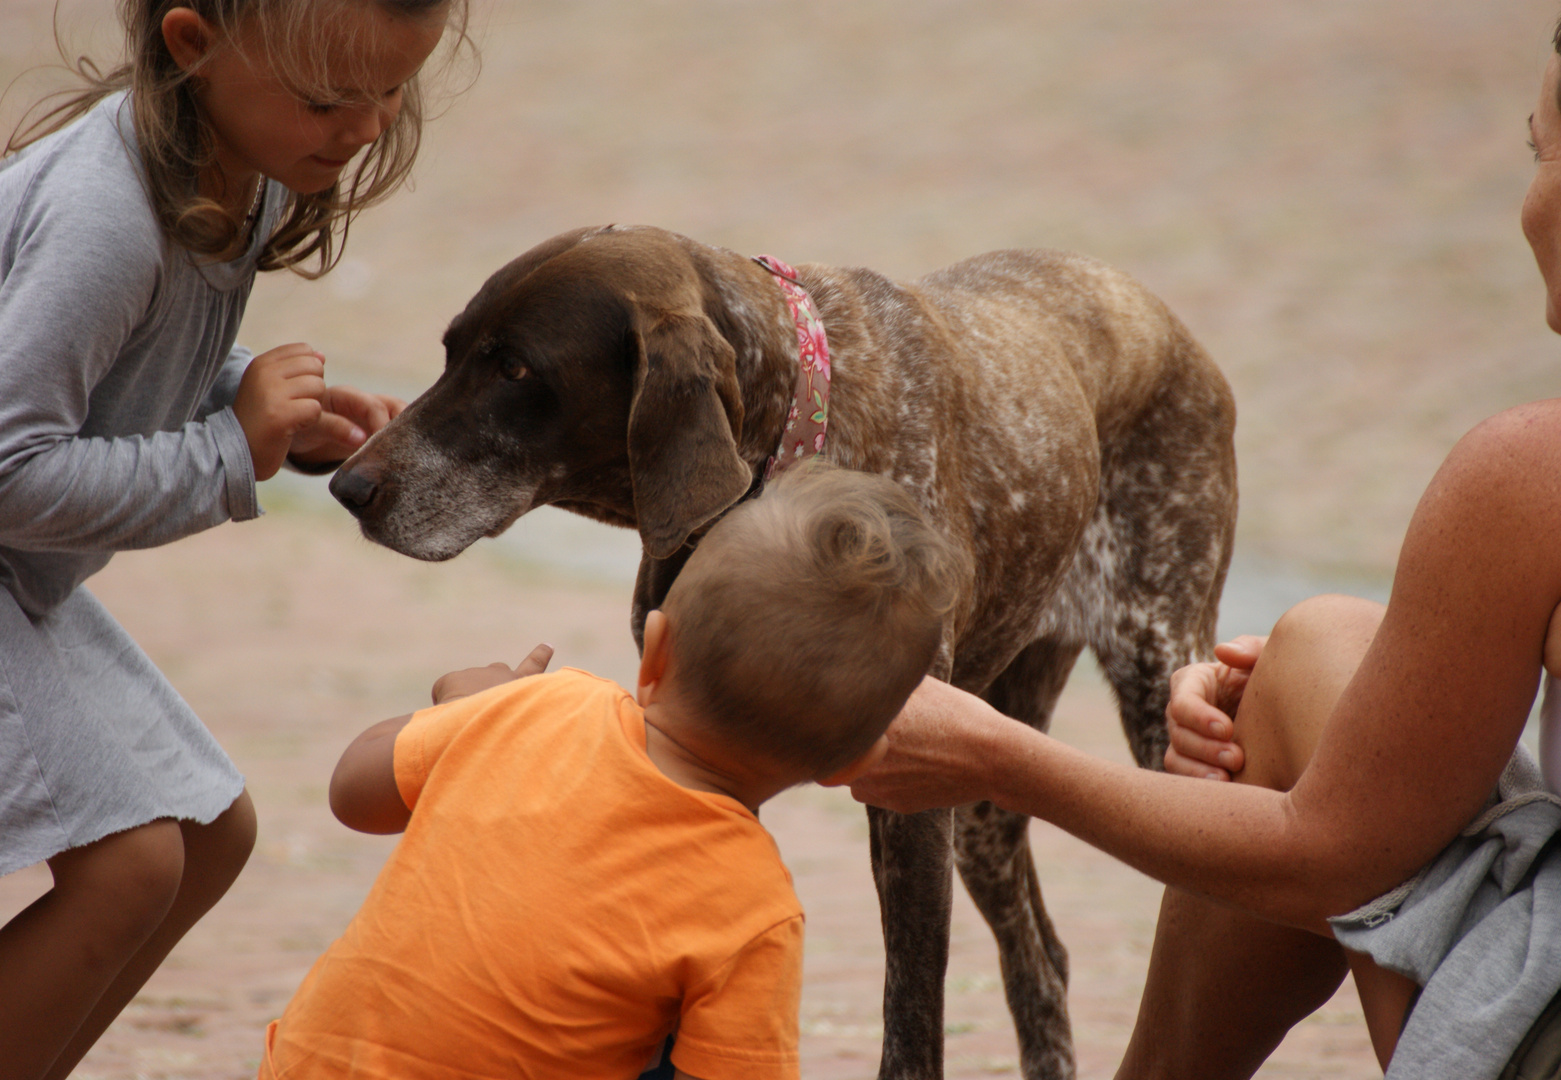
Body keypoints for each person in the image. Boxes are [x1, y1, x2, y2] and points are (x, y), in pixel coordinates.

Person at [841, 1, 1561, 1077]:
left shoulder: (1545, 473)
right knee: (1309, 657)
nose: (1529, 202)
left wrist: (996, 757)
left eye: (1541, 156)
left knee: (1297, 730)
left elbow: (1321, 864)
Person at [0, 2, 465, 1077]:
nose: (361, 128)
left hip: (20, 573)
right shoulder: (106, 219)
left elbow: (114, 364)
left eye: (389, 91)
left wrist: (268, 419)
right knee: (128, 866)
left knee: (211, 831)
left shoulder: (240, 172)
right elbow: (14, 471)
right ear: (193, 42)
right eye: (324, 98)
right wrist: (225, 449)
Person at [257, 465, 968, 1080]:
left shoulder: (535, 708)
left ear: (652, 652)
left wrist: (469, 711)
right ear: (851, 763)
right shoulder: (752, 912)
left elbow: (354, 794)